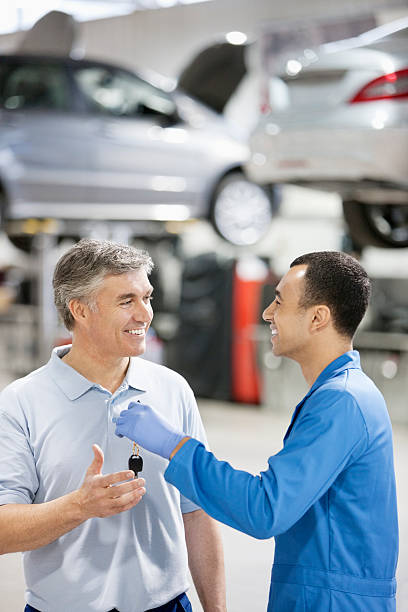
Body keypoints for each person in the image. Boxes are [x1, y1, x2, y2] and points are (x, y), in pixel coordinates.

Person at [114, 251, 399, 612]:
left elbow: (266, 509)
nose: (267, 313)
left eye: (279, 302)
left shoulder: (341, 403)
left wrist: (176, 446)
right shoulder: (341, 394)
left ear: (318, 318)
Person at [0, 239, 226, 612]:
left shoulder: (173, 389)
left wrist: (217, 609)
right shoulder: (22, 402)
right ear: (80, 310)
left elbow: (196, 511)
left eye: (147, 297)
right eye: (126, 301)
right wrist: (79, 506)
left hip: (168, 605)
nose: (144, 314)